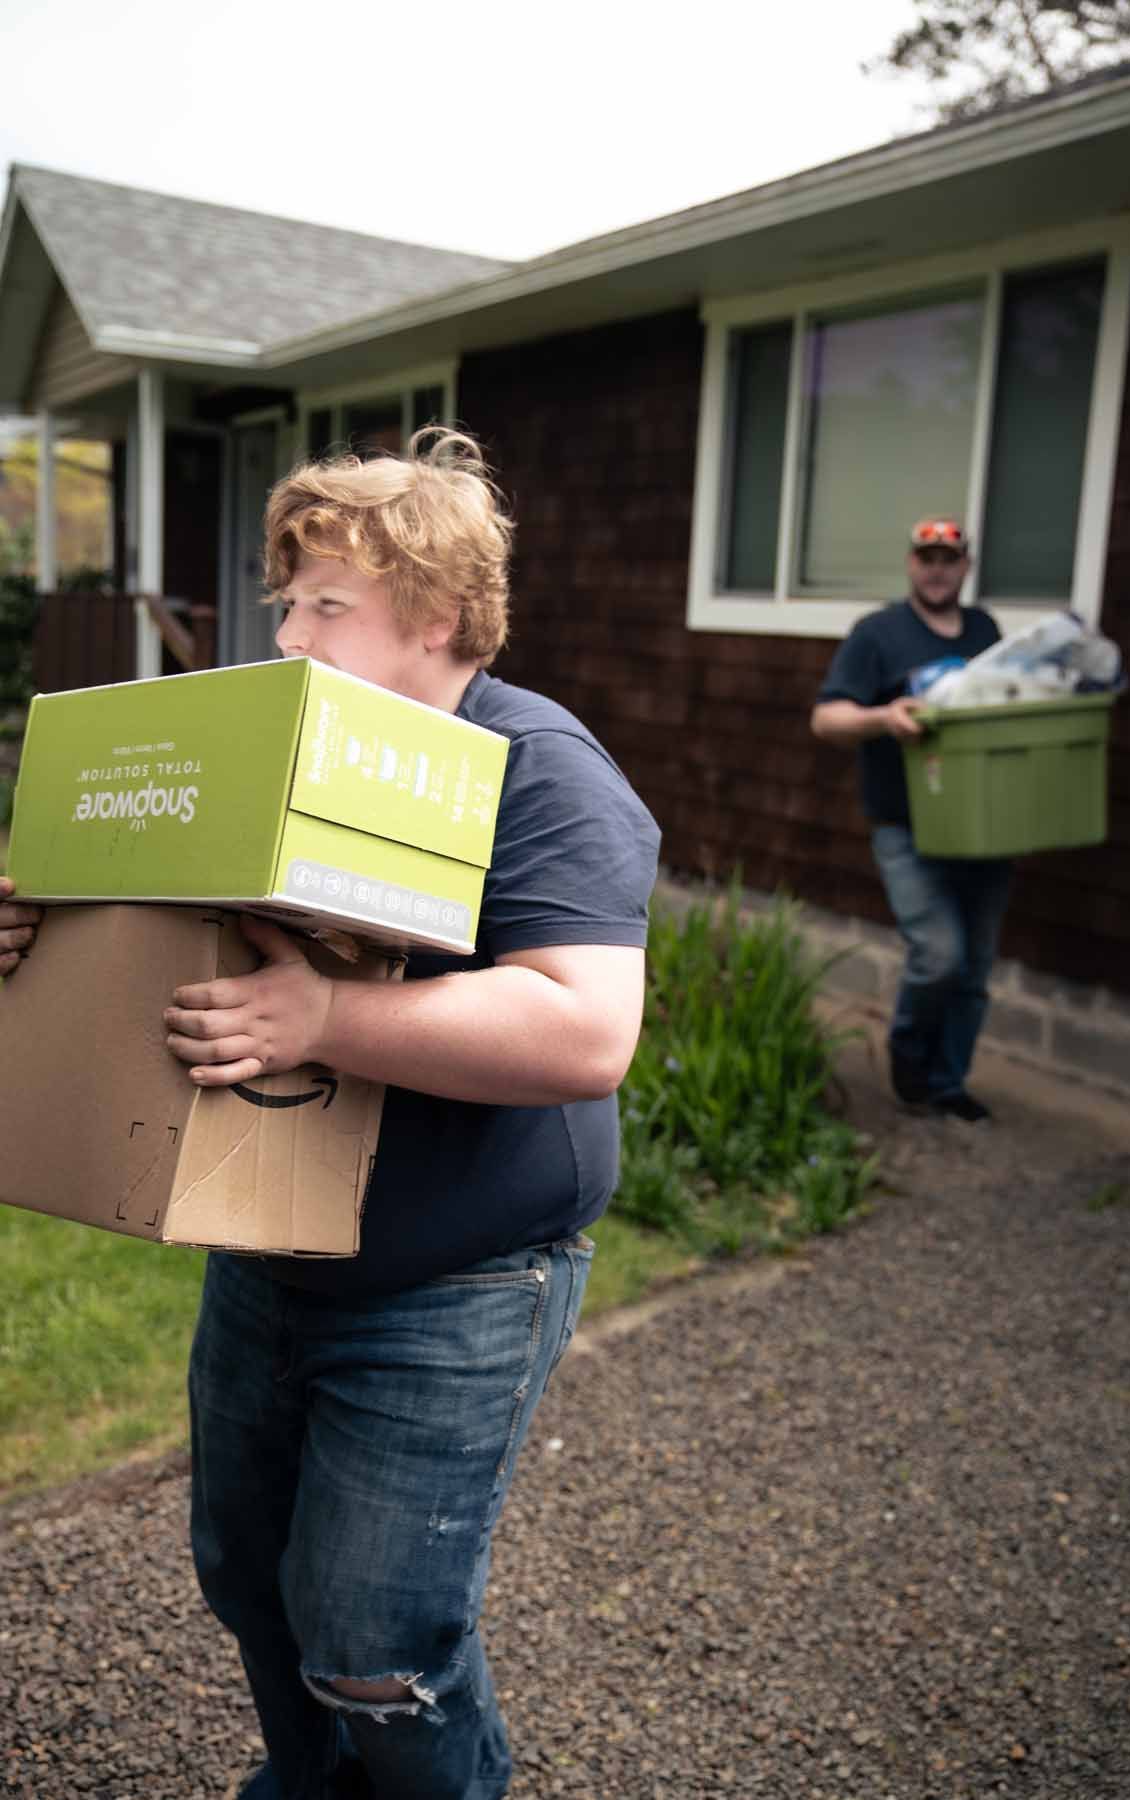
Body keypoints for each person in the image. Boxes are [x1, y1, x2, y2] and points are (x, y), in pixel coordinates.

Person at [0, 428, 661, 1800]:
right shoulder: (267, 756)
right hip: (272, 1246)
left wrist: (328, 1022)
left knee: (374, 1639)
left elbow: (588, 1027)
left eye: (325, 607)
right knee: (250, 1583)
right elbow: (168, 950)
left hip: (459, 1273)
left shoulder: (540, 770)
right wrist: (42, 933)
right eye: (284, 602)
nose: (284, 634)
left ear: (435, 618)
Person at [810, 516, 1012, 1123]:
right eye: (927, 557)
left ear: (966, 567)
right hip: (907, 826)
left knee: (974, 971)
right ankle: (909, 1053)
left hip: (984, 827)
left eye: (949, 558)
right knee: (939, 954)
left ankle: (947, 1083)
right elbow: (827, 719)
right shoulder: (879, 634)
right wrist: (885, 718)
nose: (937, 568)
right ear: (910, 564)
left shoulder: (985, 631)